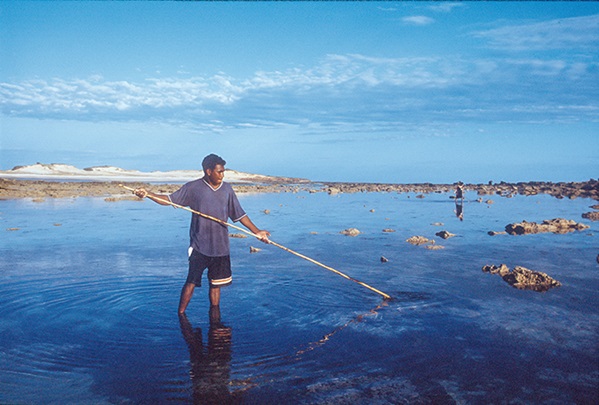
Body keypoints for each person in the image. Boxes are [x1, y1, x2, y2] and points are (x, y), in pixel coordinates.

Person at [134, 154, 270, 314]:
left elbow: (239, 215)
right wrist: (149, 194)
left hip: (221, 247)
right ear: (208, 171)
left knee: (216, 285)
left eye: (223, 171)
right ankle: (181, 315)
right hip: (200, 246)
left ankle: (215, 319)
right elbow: (169, 200)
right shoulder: (193, 188)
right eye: (219, 172)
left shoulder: (227, 189)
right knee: (191, 282)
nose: (222, 175)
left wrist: (257, 232)